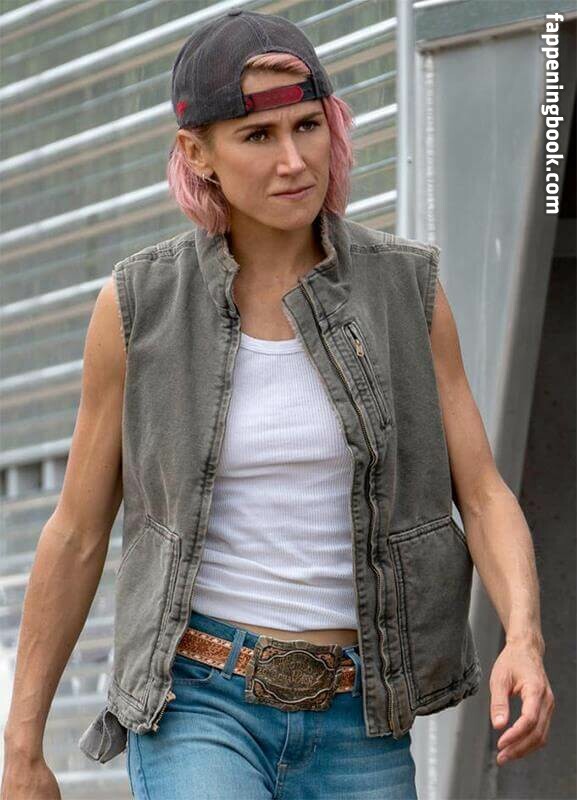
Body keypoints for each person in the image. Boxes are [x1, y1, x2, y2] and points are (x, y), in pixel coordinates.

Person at [1, 10, 554, 800]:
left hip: (359, 717)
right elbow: (77, 532)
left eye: (307, 126)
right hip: (199, 705)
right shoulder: (138, 307)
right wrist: (22, 748)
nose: (294, 161)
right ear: (197, 153)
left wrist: (522, 637)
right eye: (257, 136)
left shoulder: (406, 292)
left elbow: (483, 493)